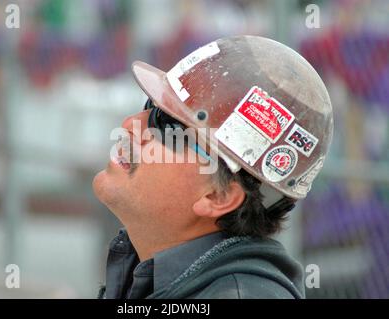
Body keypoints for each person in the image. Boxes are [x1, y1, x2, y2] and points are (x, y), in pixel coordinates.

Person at [92, 35, 333, 299]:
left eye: (167, 124)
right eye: (151, 105)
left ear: (218, 196)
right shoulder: (156, 274)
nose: (130, 124)